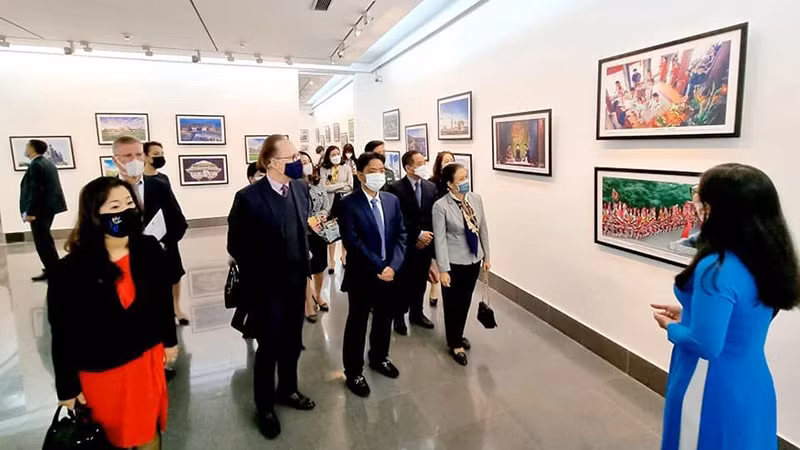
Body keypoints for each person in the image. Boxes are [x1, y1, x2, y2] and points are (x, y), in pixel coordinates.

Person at [651, 163, 800, 450]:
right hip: (751, 380)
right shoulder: (767, 257)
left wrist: (672, 326)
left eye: (700, 198)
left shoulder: (716, 267)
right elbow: (743, 319)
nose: (696, 205)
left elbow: (706, 345)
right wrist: (692, 313)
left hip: (708, 383)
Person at [48, 177, 178, 450]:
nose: (126, 211)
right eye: (115, 206)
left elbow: (162, 299)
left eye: (130, 203)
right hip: (102, 372)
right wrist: (67, 388)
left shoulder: (148, 249)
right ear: (95, 215)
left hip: (145, 362)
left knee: (147, 433)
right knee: (110, 437)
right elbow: (63, 331)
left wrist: (170, 340)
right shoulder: (70, 270)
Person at [227, 134, 315, 439]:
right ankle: (264, 406)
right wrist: (263, 276)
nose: (297, 162)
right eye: (291, 158)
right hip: (266, 289)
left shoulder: (301, 189)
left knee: (292, 342)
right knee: (269, 348)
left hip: (294, 283)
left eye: (297, 156)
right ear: (271, 163)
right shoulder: (248, 198)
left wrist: (307, 281)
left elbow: (302, 232)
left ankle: (287, 389)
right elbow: (236, 245)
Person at [339, 152, 406, 397]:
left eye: (381, 169)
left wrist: (393, 267)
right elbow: (352, 240)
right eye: (373, 170)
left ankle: (379, 357)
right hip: (363, 275)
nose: (379, 175)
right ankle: (353, 371)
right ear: (360, 174)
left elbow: (401, 235)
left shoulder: (391, 201)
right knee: (357, 322)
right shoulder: (348, 203)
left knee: (384, 318)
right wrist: (380, 266)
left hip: (390, 273)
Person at [113, 137, 189, 327]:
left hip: (162, 247)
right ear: (116, 159)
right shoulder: (106, 189)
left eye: (138, 155)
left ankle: (174, 309)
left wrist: (165, 243)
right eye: (128, 156)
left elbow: (178, 220)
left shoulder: (159, 185)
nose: (134, 160)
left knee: (170, 279)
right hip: (125, 253)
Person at [433, 163, 490, 366]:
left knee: (465, 300)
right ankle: (454, 343)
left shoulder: (476, 199)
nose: (465, 182)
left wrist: (487, 257)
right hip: (453, 262)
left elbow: (482, 229)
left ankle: (458, 334)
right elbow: (439, 239)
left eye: (466, 177)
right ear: (450, 184)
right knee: (452, 303)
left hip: (473, 259)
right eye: (461, 179)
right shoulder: (440, 206)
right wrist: (443, 269)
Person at [389, 151, 437, 334]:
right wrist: (417, 234)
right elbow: (398, 217)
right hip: (405, 244)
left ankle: (417, 313)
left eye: (424, 161)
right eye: (419, 163)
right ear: (408, 167)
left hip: (425, 244)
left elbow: (433, 216)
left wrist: (427, 238)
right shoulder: (396, 188)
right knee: (402, 282)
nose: (423, 165)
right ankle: (399, 316)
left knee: (419, 281)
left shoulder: (430, 187)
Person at [19, 139, 68, 281]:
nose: (26, 149)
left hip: (40, 210)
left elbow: (36, 191)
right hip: (47, 208)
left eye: (27, 146)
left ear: (33, 149)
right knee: (45, 239)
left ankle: (53, 270)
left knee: (42, 241)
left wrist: (30, 212)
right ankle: (52, 268)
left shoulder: (37, 165)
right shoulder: (47, 163)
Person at [300, 151, 331, 323]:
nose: (306, 164)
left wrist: (321, 216)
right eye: (302, 162)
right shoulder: (293, 185)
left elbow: (326, 205)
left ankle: (318, 295)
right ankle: (307, 303)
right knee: (306, 269)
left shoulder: (318, 183)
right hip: (302, 233)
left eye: (308, 161)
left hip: (319, 231)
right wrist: (307, 221)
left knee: (320, 267)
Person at [319, 145, 353, 275]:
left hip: (344, 202)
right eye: (333, 154)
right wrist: (341, 185)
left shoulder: (346, 167)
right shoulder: (324, 168)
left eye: (338, 153)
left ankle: (343, 257)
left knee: (345, 231)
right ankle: (331, 261)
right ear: (328, 156)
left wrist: (333, 186)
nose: (336, 156)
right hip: (330, 203)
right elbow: (324, 188)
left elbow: (350, 186)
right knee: (331, 232)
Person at [427, 151, 455, 307]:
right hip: (436, 229)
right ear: (439, 164)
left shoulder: (456, 182)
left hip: (452, 232)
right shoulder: (432, 183)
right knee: (436, 264)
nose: (450, 163)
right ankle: (434, 289)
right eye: (446, 161)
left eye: (452, 160)